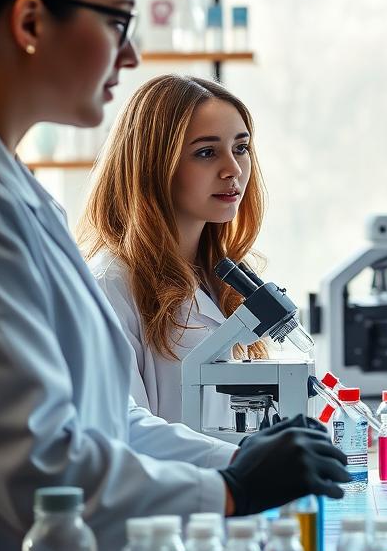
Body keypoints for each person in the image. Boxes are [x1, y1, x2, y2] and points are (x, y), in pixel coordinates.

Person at [0, 0, 348, 551]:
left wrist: (238, 461)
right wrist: (223, 488)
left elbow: (110, 421)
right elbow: (40, 464)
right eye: (116, 19)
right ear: (31, 20)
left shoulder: (14, 192)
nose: (134, 51)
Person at [82, 74, 269, 429]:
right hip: (182, 485)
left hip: (233, 481)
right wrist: (240, 466)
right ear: (153, 166)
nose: (233, 169)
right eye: (206, 152)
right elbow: (124, 432)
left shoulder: (221, 279)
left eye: (240, 148)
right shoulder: (110, 284)